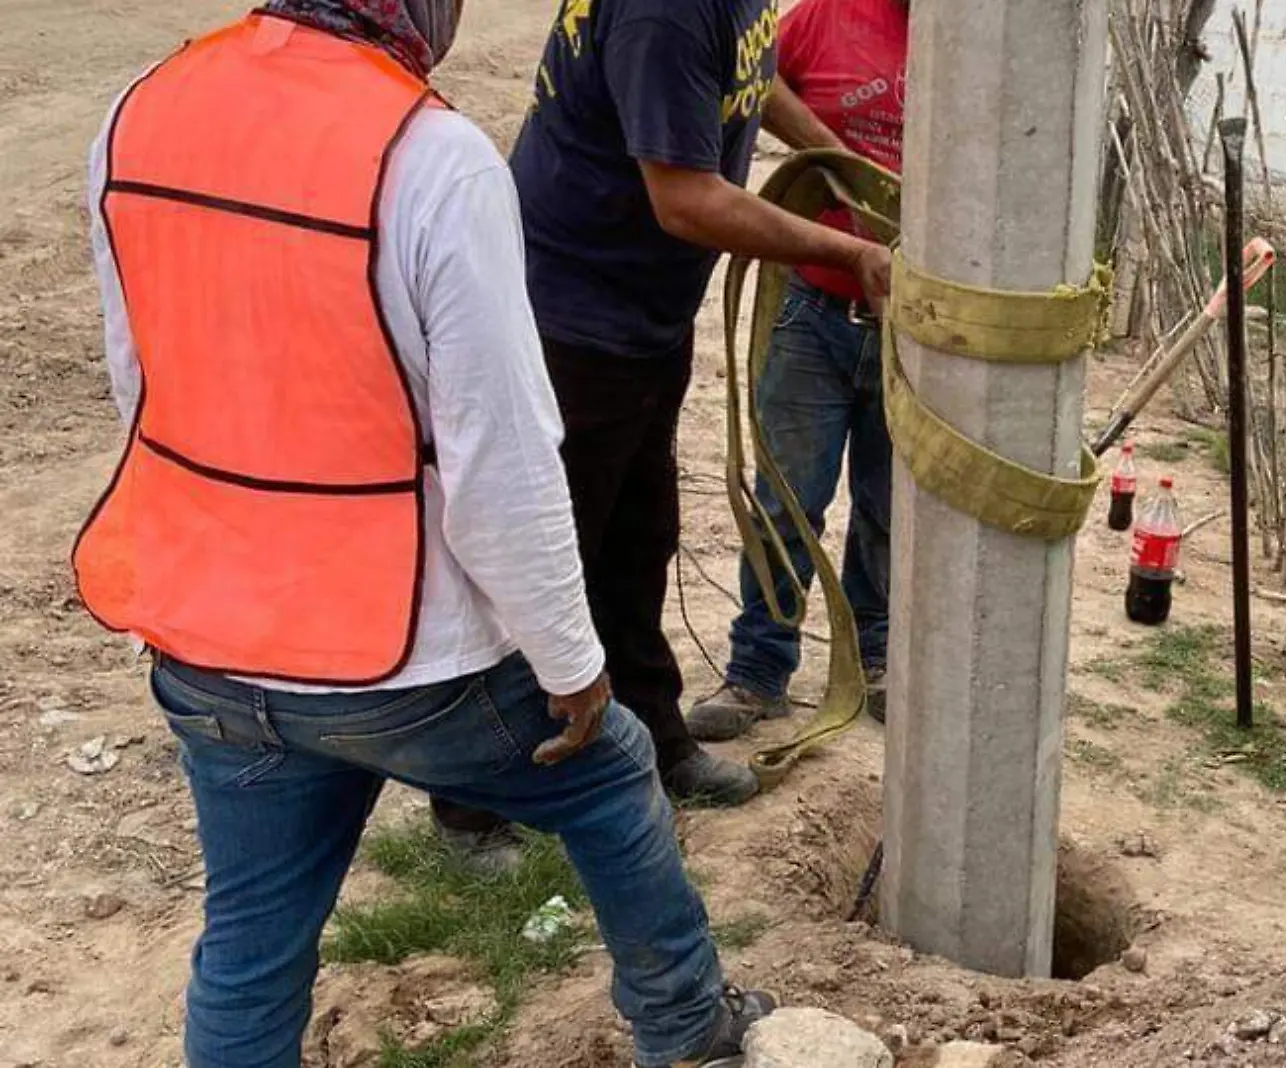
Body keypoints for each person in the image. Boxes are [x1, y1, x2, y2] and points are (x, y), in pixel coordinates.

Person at [73, 2, 770, 1064]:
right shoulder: (430, 157)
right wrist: (574, 666)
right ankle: (686, 1027)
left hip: (210, 636)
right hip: (396, 647)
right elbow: (501, 455)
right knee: (614, 773)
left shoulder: (138, 112)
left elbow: (142, 383)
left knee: (252, 947)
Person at [433, 0, 893, 841]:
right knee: (540, 554)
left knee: (639, 539)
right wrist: (848, 251)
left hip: (643, 311)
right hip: (572, 315)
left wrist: (836, 158)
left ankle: (652, 737)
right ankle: (478, 803)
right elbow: (685, 200)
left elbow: (751, 79)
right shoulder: (666, 11)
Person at [686, 0, 909, 742]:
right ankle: (758, 671)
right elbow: (752, 74)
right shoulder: (826, 14)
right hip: (814, 308)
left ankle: (876, 659)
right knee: (785, 498)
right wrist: (826, 147)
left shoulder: (980, 44)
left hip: (919, 332)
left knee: (889, 508)